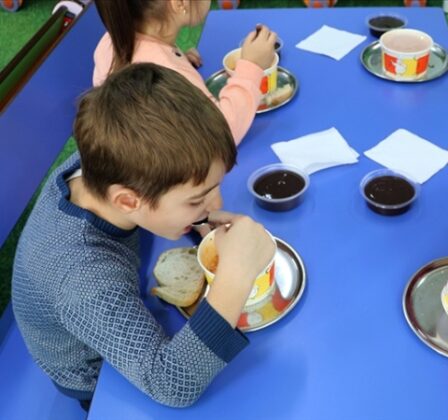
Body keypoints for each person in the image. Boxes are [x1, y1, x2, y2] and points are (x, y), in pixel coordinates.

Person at [11, 63, 276, 409]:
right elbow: (171, 385)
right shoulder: (84, 281)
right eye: (198, 198)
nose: (218, 204)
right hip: (95, 376)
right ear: (127, 200)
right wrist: (236, 277)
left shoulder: (103, 164)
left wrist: (193, 216)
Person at [93, 0, 277, 146]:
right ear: (179, 3)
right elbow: (223, 135)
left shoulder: (112, 39)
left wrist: (177, 55)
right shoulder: (167, 75)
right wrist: (251, 67)